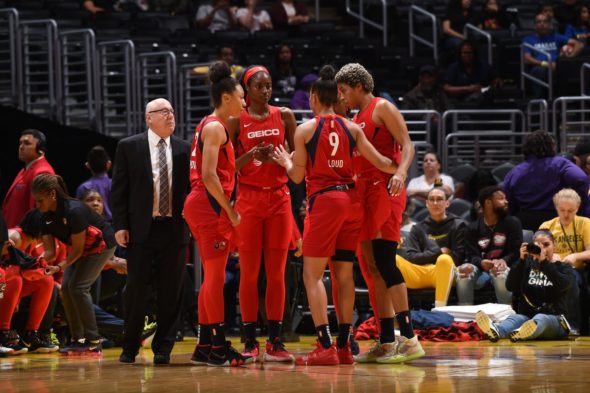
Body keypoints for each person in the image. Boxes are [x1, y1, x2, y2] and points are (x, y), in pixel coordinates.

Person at [273, 64, 399, 366]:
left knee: (312, 275)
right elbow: (382, 161)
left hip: (325, 202)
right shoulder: (352, 127)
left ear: (315, 96)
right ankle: (344, 345)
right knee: (344, 275)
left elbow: (297, 176)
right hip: (352, 202)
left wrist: (284, 162)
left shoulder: (305, 130)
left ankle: (325, 344)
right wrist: (400, 171)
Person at [336, 63, 424, 364]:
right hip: (361, 194)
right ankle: (387, 340)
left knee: (385, 262)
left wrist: (400, 172)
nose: (342, 97)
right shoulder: (355, 118)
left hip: (385, 189)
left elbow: (407, 143)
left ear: (359, 85)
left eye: (344, 91)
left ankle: (409, 338)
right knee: (370, 267)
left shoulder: (381, 106)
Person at [110, 98, 190, 365]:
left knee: (171, 292)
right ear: (148, 118)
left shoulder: (184, 149)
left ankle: (164, 347)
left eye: (172, 111)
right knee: (135, 291)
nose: (170, 116)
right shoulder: (128, 146)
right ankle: (130, 346)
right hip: (140, 230)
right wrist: (120, 225)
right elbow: (119, 190)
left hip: (174, 230)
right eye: (163, 112)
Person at [229, 65, 297, 362]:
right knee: (249, 272)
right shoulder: (236, 121)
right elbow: (228, 166)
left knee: (277, 273)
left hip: (279, 199)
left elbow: (298, 157)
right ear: (248, 90)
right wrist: (252, 155)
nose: (266, 90)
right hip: (248, 199)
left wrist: (283, 159)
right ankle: (248, 339)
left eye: (269, 85)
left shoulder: (284, 115)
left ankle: (276, 340)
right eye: (260, 86)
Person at [183, 61, 249, 367]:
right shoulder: (214, 127)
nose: (244, 101)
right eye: (241, 96)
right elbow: (209, 176)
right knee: (214, 277)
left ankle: (205, 346)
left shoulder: (210, 126)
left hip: (202, 203)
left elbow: (219, 172)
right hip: (208, 204)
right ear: (226, 97)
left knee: (212, 276)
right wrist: (231, 211)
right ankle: (218, 345)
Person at [31, 174, 115, 354]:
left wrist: (60, 267)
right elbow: (50, 252)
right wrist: (36, 262)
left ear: (53, 194)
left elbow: (77, 251)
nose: (37, 206)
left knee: (78, 288)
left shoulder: (74, 211)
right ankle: (78, 339)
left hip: (102, 244)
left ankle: (93, 340)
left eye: (40, 201)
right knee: (66, 288)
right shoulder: (44, 217)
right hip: (80, 249)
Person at [476, 230, 574, 341]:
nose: (543, 249)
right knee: (514, 318)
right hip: (527, 317)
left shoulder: (563, 267)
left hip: (555, 320)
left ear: (554, 245)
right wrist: (521, 260)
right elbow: (510, 286)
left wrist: (544, 262)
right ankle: (498, 330)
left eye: (546, 245)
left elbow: (564, 285)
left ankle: (524, 332)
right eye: (538, 246)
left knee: (540, 318)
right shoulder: (526, 266)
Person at [503, 130, 590, 231]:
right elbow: (580, 179)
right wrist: (578, 208)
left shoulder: (515, 172)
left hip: (524, 223)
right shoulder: (560, 164)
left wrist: (515, 215)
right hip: (557, 221)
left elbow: (508, 199)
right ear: (552, 146)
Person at [398, 187, 466, 308]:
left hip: (448, 273)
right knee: (394, 258)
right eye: (432, 199)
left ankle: (440, 309)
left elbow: (457, 258)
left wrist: (435, 256)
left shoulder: (458, 225)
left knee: (444, 259)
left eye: (439, 199)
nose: (435, 203)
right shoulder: (418, 228)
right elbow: (411, 257)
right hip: (421, 273)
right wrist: (438, 252)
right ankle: (397, 315)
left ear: (447, 203)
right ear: (427, 203)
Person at [458, 185, 522, 305]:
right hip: (481, 270)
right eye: (501, 198)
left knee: (499, 273)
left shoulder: (512, 223)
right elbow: (471, 255)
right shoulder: (472, 228)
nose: (506, 201)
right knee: (464, 272)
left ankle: (507, 315)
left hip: (505, 268)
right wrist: (481, 262)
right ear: (488, 203)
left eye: (505, 198)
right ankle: (464, 318)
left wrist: (503, 261)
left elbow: (515, 252)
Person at [539, 188, 590, 334]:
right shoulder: (546, 226)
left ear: (578, 209)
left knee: (570, 278)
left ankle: (572, 326)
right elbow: (539, 251)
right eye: (562, 210)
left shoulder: (585, 223)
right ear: (556, 207)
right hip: (550, 268)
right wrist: (549, 256)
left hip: (575, 269)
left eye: (571, 211)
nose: (566, 215)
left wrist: (575, 256)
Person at [522, 12, 583, 98]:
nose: (542, 24)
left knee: (570, 67)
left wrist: (570, 56)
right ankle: (539, 101)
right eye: (539, 22)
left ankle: (564, 100)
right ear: (535, 26)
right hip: (540, 66)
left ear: (550, 24)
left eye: (545, 21)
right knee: (539, 71)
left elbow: (579, 44)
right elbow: (526, 58)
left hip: (558, 65)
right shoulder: (528, 39)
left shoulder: (556, 36)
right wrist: (545, 64)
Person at [3, 129, 55, 228]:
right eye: (20, 143)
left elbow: (39, 213)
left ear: (40, 148)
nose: (21, 147)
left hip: (25, 238)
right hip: (14, 236)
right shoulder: (25, 169)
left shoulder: (42, 172)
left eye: (27, 143)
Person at [443, 41, 501, 106]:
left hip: (483, 100)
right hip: (459, 102)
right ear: (460, 54)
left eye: (470, 53)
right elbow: (447, 88)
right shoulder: (453, 67)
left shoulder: (484, 66)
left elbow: (495, 79)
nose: (467, 55)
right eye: (464, 53)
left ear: (474, 54)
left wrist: (495, 84)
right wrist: (468, 89)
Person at [76, 146, 113, 222]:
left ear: (88, 165)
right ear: (108, 164)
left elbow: (79, 213)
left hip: (92, 228)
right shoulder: (116, 184)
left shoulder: (83, 188)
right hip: (115, 228)